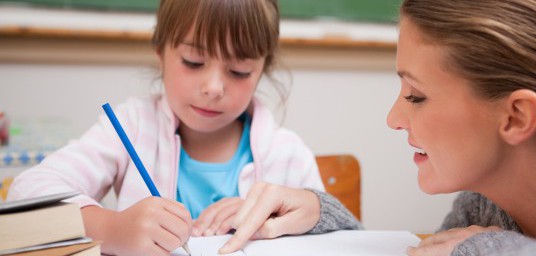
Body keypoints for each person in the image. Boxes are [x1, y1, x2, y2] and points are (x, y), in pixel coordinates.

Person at [216, 0, 536, 255]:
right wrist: (323, 220)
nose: (393, 119)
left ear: (516, 117)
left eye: (416, 95)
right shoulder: (485, 206)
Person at [8, 0, 325, 255]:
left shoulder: (287, 154)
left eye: (239, 70)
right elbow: (27, 193)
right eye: (193, 61)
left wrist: (315, 210)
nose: (214, 87)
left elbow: (344, 238)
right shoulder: (132, 126)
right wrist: (112, 229)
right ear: (160, 52)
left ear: (261, 70)